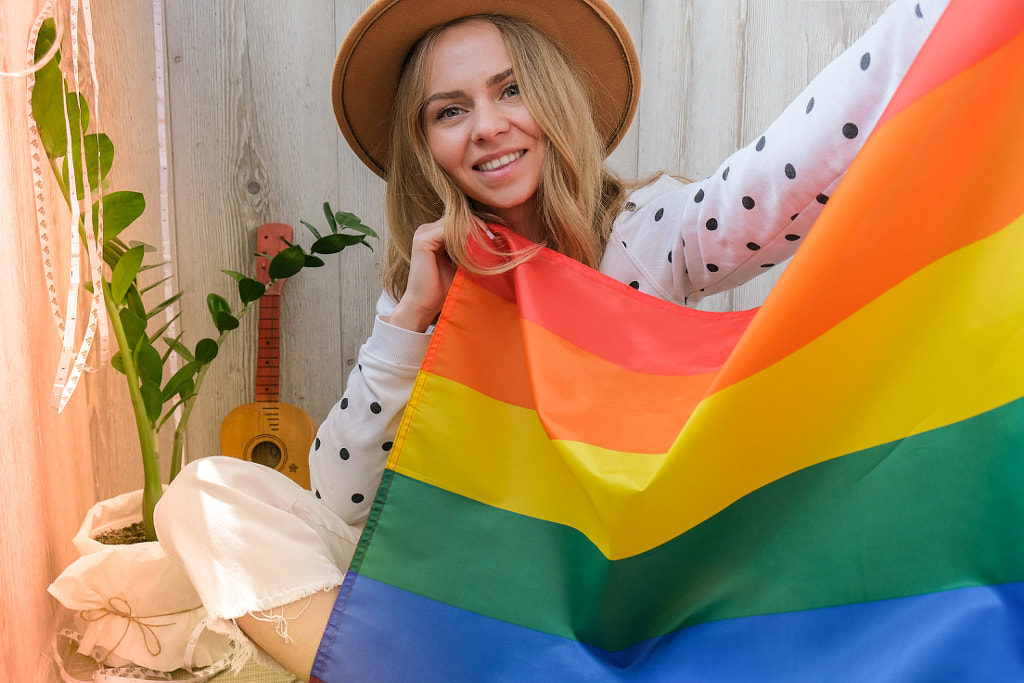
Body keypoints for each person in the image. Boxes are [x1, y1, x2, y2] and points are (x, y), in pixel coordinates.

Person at [155, 0, 948, 680]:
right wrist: (407, 326)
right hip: (476, 586)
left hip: (611, 583)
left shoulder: (648, 236)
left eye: (511, 89)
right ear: (425, 143)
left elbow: (784, 175)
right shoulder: (428, 279)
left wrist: (938, 23)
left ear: (554, 98)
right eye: (450, 109)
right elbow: (339, 501)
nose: (489, 126)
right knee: (207, 496)